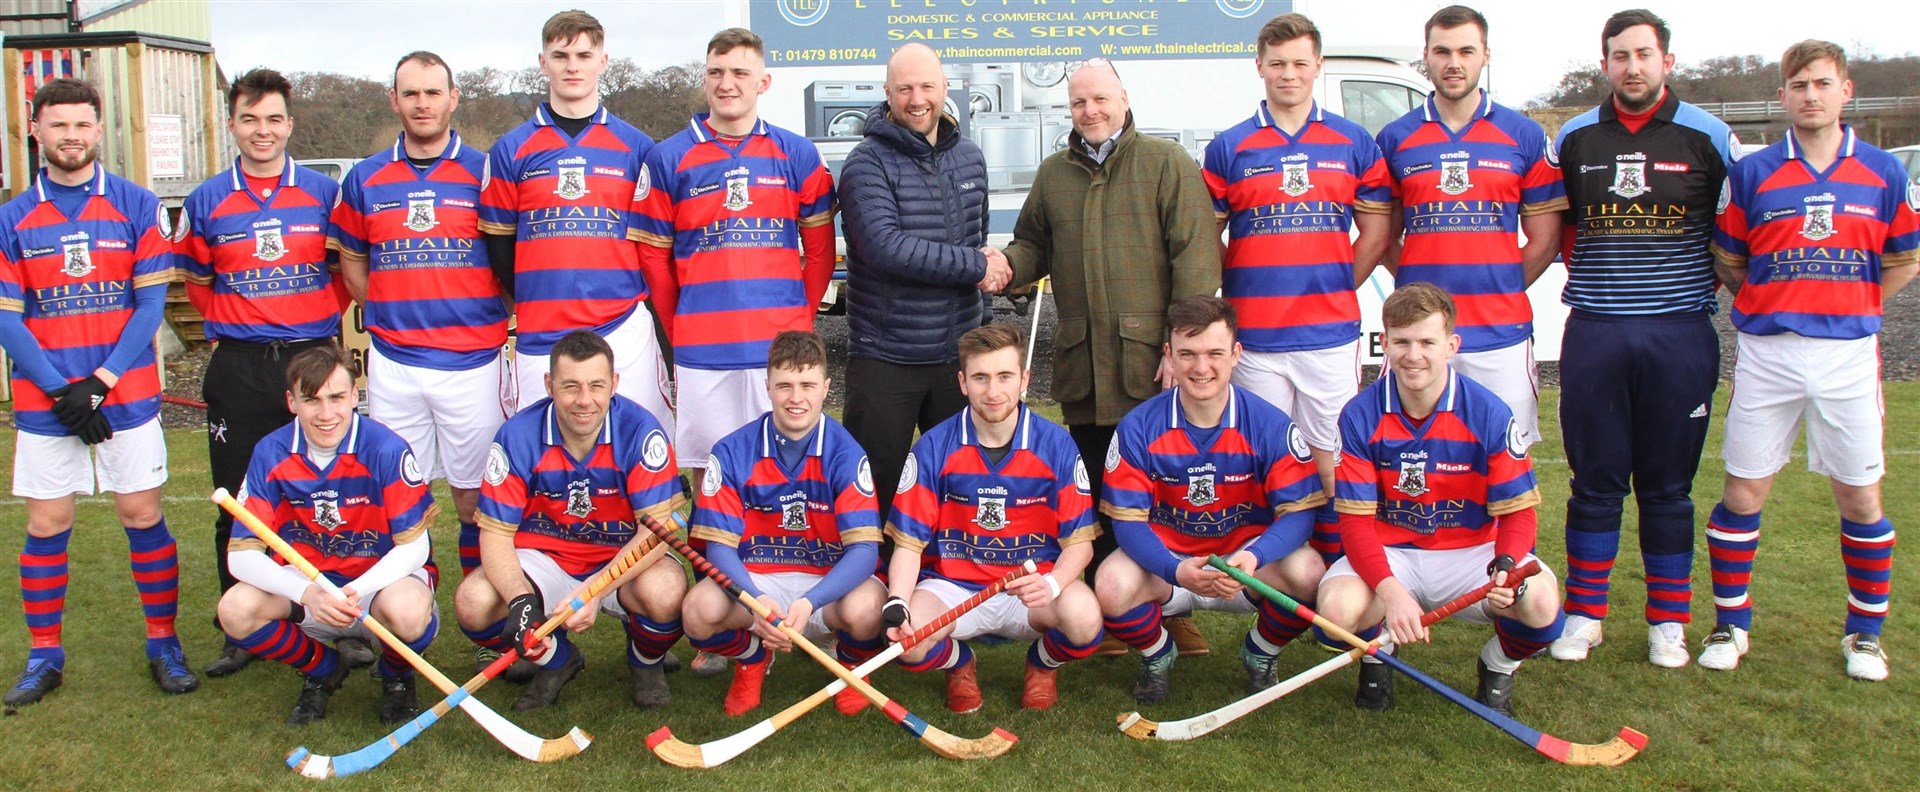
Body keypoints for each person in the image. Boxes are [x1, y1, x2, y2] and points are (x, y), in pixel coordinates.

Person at [1704, 40, 1918, 681]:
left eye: (1823, 83)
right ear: (1784, 96)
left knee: (1859, 499)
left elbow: (1905, 256)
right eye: (1799, 85)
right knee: (1743, 490)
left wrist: (1854, 302)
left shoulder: (1882, 171)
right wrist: (1774, 299)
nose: (1811, 95)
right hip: (1769, 351)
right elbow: (1729, 258)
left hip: (1848, 356)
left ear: (1845, 90)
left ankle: (1864, 636)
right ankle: (1730, 626)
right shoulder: (1754, 172)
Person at [1001, 57, 1221, 656]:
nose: (1091, 112)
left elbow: (1197, 259)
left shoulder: (1166, 163)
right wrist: (1005, 267)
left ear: (1124, 99)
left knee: (1163, 490)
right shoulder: (1053, 174)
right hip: (1084, 369)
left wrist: (1182, 346)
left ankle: (1172, 612)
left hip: (1150, 367)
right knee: (1098, 490)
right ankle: (1109, 610)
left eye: (1100, 100)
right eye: (1079, 104)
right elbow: (1031, 245)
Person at [1546, 9, 1736, 669]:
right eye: (1620, 56)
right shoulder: (1574, 137)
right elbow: (1562, 235)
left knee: (1667, 486)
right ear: (1605, 65)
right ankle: (1585, 615)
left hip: (1680, 333)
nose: (1632, 66)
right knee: (1594, 483)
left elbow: (1729, 235)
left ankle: (1668, 622)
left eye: (1644, 54)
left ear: (1667, 62)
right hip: (1597, 330)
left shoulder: (1709, 136)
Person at [0, 77, 196, 705]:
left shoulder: (138, 205)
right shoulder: (10, 218)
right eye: (58, 126)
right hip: (45, 401)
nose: (72, 137)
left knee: (141, 514)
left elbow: (148, 306)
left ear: (98, 129)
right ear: (36, 132)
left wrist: (100, 382)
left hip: (126, 392)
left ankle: (163, 643)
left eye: (82, 125)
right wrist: (64, 392)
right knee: (48, 522)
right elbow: (8, 316)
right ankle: (44, 656)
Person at [330, 51, 513, 674]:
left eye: (434, 92)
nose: (423, 104)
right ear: (394, 100)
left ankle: (483, 628)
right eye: (411, 93)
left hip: (472, 362)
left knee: (471, 500)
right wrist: (392, 313)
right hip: (394, 362)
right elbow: (353, 263)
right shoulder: (366, 178)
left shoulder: (486, 171)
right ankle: (397, 617)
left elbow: (507, 262)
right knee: (391, 498)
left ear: (454, 97)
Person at [1319, 283, 1564, 716]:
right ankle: (1378, 655)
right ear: (1385, 343)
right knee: (1336, 613)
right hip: (1391, 552)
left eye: (1427, 342)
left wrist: (1505, 566)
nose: (1414, 355)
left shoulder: (1488, 412)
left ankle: (1499, 664)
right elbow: (1355, 524)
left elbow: (1519, 514)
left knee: (1541, 601)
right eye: (1402, 342)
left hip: (1473, 552)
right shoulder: (1359, 413)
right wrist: (1391, 593)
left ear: (1451, 345)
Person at [1202, 13, 1393, 566]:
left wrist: (1335, 282)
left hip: (1328, 334)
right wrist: (1236, 280)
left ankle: (1339, 573)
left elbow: (1377, 228)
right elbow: (1205, 233)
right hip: (1257, 339)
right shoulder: (1229, 146)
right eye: (1278, 64)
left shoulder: (1354, 140)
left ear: (1318, 66)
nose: (1289, 74)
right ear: (1259, 66)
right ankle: (1278, 573)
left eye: (1300, 64)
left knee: (1333, 459)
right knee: (1267, 462)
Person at [178, 68, 347, 678]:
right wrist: (246, 324)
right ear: (232, 124)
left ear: (290, 124)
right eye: (249, 119)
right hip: (241, 365)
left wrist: (308, 325)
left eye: (273, 119)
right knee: (238, 503)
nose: (262, 131)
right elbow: (199, 286)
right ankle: (240, 624)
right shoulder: (206, 199)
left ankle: (335, 621)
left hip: (312, 357)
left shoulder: (323, 195)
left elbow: (342, 276)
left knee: (330, 495)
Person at [632, 27, 835, 494]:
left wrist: (799, 322)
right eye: (716, 72)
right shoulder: (669, 157)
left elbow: (820, 250)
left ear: (763, 82)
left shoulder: (796, 152)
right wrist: (678, 325)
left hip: (777, 349)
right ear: (704, 79)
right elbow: (653, 256)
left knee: (786, 468)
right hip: (704, 350)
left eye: (740, 72)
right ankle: (712, 566)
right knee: (711, 475)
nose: (728, 83)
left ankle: (778, 562)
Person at [1096, 296, 1327, 705]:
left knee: (1309, 573)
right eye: (1187, 354)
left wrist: (1254, 558)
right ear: (1168, 354)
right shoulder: (1139, 426)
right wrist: (1175, 568)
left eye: (1214, 353)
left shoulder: (1269, 424)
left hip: (1246, 563)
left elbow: (1298, 516)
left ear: (1236, 354)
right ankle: (1156, 653)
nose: (1201, 368)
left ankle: (1262, 650)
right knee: (1110, 583)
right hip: (1170, 563)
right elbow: (1128, 523)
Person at [455, 330, 689, 710]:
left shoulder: (641, 431)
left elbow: (656, 533)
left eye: (596, 385)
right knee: (473, 601)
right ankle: (559, 660)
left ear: (614, 384)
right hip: (544, 560)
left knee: (665, 591)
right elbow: (495, 536)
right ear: (549, 384)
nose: (585, 400)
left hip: (620, 559)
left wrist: (593, 591)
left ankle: (646, 663)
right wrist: (521, 599)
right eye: (570, 386)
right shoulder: (517, 435)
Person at [885, 324, 1104, 712]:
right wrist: (899, 600)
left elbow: (1080, 543)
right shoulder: (935, 445)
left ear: (1024, 379)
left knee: (1085, 620)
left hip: (1030, 589)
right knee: (909, 642)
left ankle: (1042, 663)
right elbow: (908, 543)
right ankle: (958, 663)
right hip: (952, 588)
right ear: (962, 382)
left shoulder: (1055, 444)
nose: (993, 391)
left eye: (1005, 376)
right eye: (980, 378)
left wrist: (1053, 585)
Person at [1375, 5, 1565, 450]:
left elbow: (1545, 238)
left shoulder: (1524, 134)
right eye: (1442, 51)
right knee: (1415, 459)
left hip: (1500, 333)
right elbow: (1384, 234)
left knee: (1506, 461)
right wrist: (1417, 295)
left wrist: (1501, 286)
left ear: (1486, 55)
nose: (1454, 62)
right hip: (1420, 338)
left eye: (1466, 51)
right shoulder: (1395, 138)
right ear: (1426, 56)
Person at [218, 345, 440, 724]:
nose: (326, 414)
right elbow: (240, 556)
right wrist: (307, 593)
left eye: (337, 397)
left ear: (356, 395)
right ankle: (323, 669)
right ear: (291, 401)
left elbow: (415, 546)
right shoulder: (270, 453)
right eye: (312, 400)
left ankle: (397, 676)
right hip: (309, 586)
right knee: (235, 611)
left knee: (407, 613)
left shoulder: (385, 448)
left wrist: (353, 591)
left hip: (377, 583)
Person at [479, 9, 672, 428]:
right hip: (542, 335)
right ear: (542, 62)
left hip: (622, 326)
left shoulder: (637, 146)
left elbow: (653, 243)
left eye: (584, 55)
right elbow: (498, 245)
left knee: (637, 449)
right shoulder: (510, 149)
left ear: (603, 62)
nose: (573, 66)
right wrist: (535, 297)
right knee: (543, 459)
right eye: (561, 55)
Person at [684, 331, 887, 717]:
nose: (796, 398)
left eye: (807, 385)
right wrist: (755, 601)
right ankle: (752, 656)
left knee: (869, 609)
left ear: (826, 387)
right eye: (785, 386)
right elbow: (719, 550)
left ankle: (852, 667)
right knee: (697, 611)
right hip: (759, 582)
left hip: (826, 585)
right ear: (768, 387)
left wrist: (812, 601)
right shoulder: (731, 450)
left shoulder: (846, 453)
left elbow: (864, 552)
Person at [838, 41, 996, 528]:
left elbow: (979, 238)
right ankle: (871, 586)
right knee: (875, 482)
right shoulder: (865, 162)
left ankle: (949, 580)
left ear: (945, 89)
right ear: (887, 94)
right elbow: (885, 247)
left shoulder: (969, 157)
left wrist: (981, 322)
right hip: (887, 356)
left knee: (959, 480)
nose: (917, 99)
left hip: (956, 356)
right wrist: (975, 265)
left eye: (927, 86)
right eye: (904, 88)